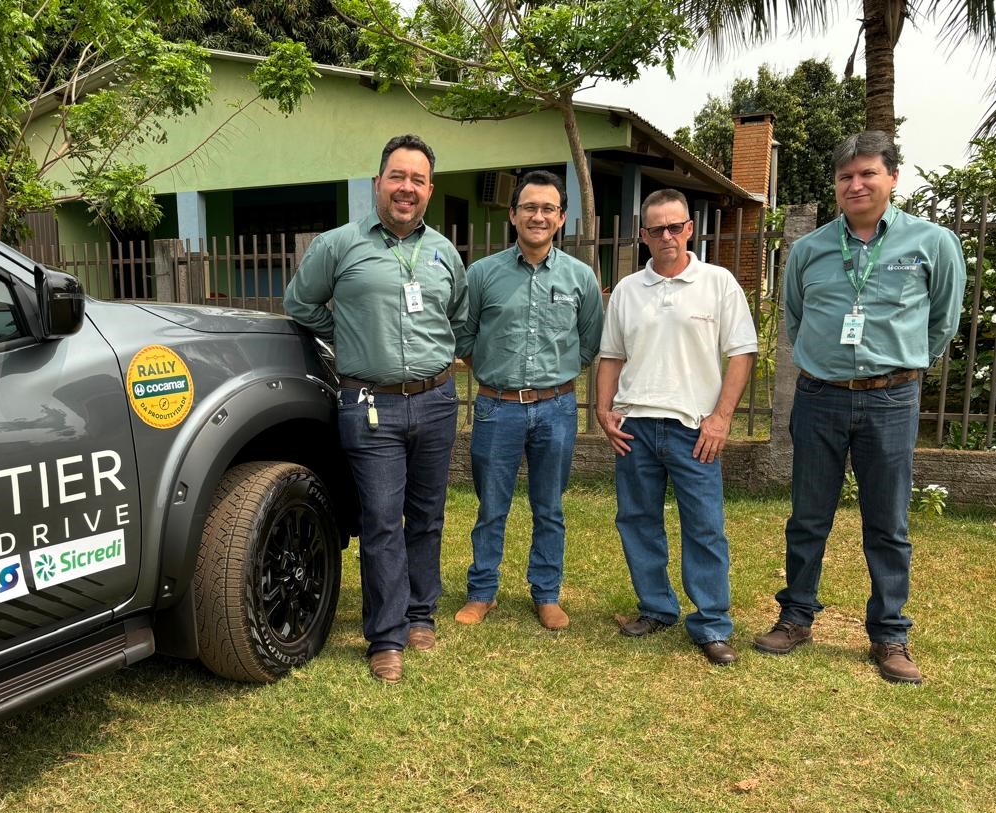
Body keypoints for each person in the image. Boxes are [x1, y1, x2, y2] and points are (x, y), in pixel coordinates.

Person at [754, 131, 965, 684]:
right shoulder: (810, 249)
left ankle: (890, 635)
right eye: (846, 176)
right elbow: (796, 317)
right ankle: (796, 617)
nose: (856, 184)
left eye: (868, 173)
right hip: (819, 397)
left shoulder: (932, 243)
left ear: (892, 177)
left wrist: (906, 364)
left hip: (892, 399)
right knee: (808, 517)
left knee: (888, 523)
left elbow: (943, 320)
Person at [283, 134, 467, 683]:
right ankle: (385, 637)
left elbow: (456, 317)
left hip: (435, 402)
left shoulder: (444, 253)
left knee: (428, 516)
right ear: (378, 182)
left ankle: (420, 614)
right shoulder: (338, 245)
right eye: (397, 176)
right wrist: (347, 335)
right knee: (382, 521)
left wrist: (440, 356)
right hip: (369, 406)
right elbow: (300, 304)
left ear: (429, 189)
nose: (406, 188)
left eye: (417, 179)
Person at [596, 188, 758, 666]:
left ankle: (711, 624)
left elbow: (742, 353)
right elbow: (611, 356)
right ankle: (656, 608)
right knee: (637, 522)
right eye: (656, 229)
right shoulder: (627, 289)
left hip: (694, 429)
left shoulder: (719, 283)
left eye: (676, 226)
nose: (667, 236)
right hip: (636, 428)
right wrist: (604, 412)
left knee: (705, 527)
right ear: (643, 235)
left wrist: (721, 418)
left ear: (690, 228)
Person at [453, 170, 602, 631]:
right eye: (529, 208)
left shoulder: (580, 278)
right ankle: (482, 591)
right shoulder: (482, 274)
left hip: (556, 408)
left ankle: (547, 593)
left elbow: (589, 340)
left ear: (561, 218)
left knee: (549, 506)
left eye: (548, 209)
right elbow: (464, 336)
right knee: (491, 506)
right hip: (497, 407)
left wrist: (554, 377)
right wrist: (496, 369)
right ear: (513, 214)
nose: (538, 216)